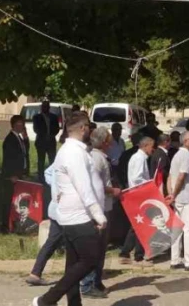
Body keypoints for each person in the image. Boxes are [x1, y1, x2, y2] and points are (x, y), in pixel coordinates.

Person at [33, 112, 107, 306]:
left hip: (75, 213)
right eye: (89, 127)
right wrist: (99, 216)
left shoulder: (74, 150)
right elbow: (84, 187)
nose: (90, 130)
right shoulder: (73, 153)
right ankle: (47, 300)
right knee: (91, 259)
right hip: (78, 215)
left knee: (73, 265)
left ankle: (73, 303)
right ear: (83, 129)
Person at [81, 127, 119, 298]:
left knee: (101, 247)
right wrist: (113, 191)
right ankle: (88, 284)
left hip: (105, 206)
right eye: (109, 139)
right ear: (104, 142)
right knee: (96, 247)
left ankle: (96, 280)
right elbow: (95, 184)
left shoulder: (100, 157)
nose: (111, 143)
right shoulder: (96, 158)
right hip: (99, 208)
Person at [118, 135, 155, 265]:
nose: (153, 149)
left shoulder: (139, 158)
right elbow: (138, 178)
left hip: (138, 194)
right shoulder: (139, 159)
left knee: (136, 225)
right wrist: (150, 183)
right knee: (139, 225)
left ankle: (128, 252)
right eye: (151, 146)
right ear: (145, 146)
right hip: (139, 195)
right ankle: (137, 255)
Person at [26, 162, 62, 286]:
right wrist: (56, 187)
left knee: (51, 242)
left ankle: (35, 273)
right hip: (65, 210)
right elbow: (47, 173)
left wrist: (55, 186)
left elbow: (48, 172)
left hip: (58, 210)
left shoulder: (62, 157)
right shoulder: (68, 157)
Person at [169, 131, 189, 271]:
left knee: (176, 229)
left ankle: (175, 259)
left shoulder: (176, 155)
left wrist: (171, 194)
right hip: (186, 197)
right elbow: (181, 176)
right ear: (186, 141)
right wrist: (174, 194)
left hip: (178, 198)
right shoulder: (186, 155)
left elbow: (170, 177)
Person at [33, 100, 61, 176]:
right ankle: (41, 177)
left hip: (51, 142)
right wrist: (44, 135)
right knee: (41, 161)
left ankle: (53, 176)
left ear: (49, 107)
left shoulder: (54, 117)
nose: (44, 108)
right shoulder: (36, 117)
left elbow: (57, 128)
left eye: (46, 106)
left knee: (52, 160)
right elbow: (36, 129)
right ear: (41, 107)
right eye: (43, 106)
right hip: (41, 142)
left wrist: (51, 135)